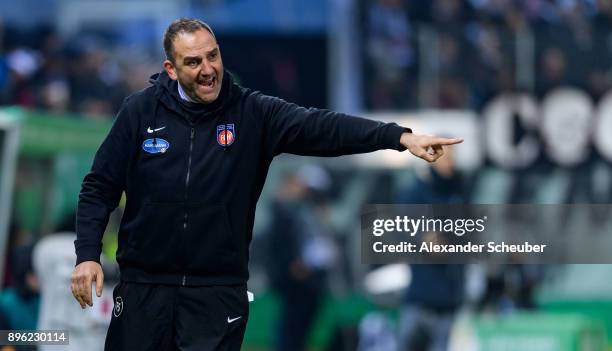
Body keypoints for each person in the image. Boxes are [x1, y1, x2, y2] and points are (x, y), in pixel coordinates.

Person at [70, 18, 463, 351]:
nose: (208, 69)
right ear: (171, 69)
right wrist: (87, 253)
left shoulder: (252, 113)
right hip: (144, 288)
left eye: (213, 55)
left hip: (216, 292)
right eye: (193, 62)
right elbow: (99, 186)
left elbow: (323, 127)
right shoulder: (139, 111)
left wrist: (398, 137)